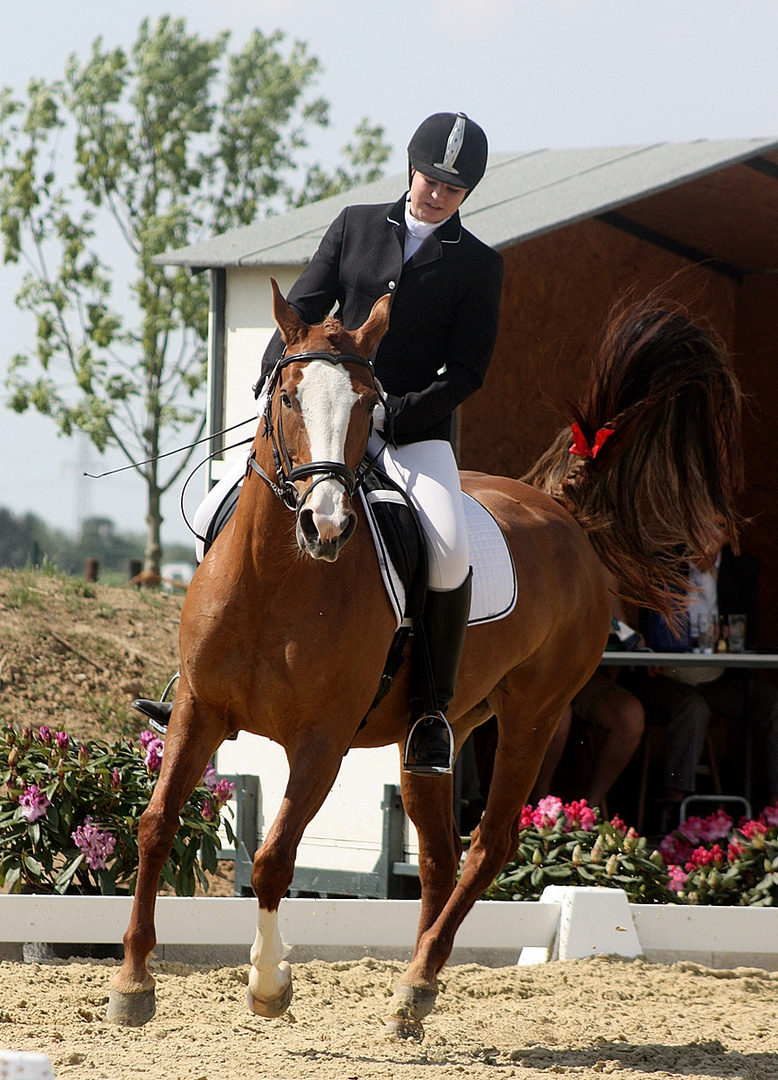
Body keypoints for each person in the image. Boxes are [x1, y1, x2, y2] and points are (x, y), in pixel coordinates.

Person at [133, 112, 504, 776]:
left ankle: (430, 714)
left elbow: (468, 372)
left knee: (447, 550)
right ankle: (192, 678)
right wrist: (279, 382)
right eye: (431, 180)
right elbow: (300, 310)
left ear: (466, 194)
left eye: (453, 188)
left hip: (410, 431)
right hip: (322, 416)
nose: (437, 194)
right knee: (217, 508)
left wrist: (396, 409)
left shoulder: (479, 266)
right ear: (412, 170)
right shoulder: (356, 226)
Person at [626, 543, 778, 806]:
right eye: (701, 523)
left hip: (715, 676)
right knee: (693, 707)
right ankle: (675, 812)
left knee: (774, 704)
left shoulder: (741, 566)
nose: (708, 533)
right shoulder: (665, 561)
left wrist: (730, 635)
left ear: (727, 532)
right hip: (667, 676)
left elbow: (747, 631)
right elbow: (649, 627)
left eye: (717, 525)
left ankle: (775, 813)